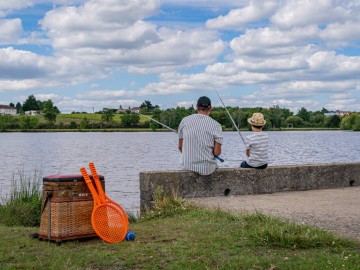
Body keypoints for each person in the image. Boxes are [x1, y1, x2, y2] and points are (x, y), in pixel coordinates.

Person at [178, 96, 223, 175]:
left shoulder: (184, 121)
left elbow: (180, 147)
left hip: (187, 166)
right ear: (210, 108)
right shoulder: (216, 125)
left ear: (197, 107)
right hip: (207, 169)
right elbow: (217, 153)